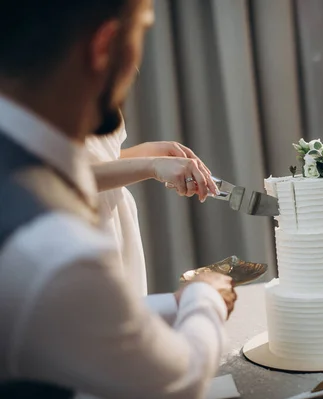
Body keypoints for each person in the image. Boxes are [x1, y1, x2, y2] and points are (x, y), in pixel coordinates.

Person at [0, 1, 236, 399]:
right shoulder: (58, 249)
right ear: (105, 46)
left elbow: (66, 322)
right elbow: (179, 381)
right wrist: (204, 297)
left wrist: (170, 305)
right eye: (142, 31)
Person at [87, 119, 219, 296]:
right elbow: (56, 175)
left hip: (118, 225)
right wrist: (152, 165)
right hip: (83, 227)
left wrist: (148, 153)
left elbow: (97, 157)